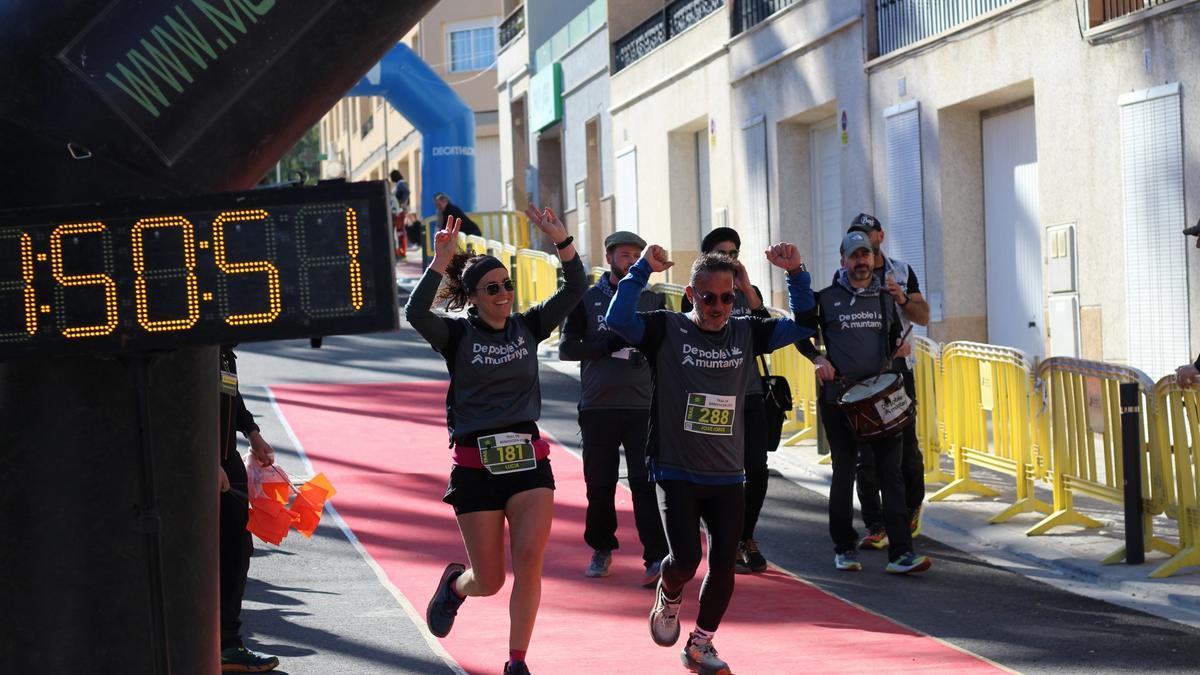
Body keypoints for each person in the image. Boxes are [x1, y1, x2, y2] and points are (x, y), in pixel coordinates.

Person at [605, 241, 816, 675]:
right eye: (708, 297)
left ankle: (700, 644)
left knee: (723, 565)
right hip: (675, 467)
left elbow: (804, 325)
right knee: (685, 559)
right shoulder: (666, 328)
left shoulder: (746, 331)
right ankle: (669, 590)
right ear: (690, 294)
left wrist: (796, 274)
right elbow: (617, 320)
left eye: (725, 298)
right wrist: (642, 269)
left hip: (726, 473)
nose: (717, 307)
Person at [405, 205, 584, 675]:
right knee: (489, 580)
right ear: (473, 295)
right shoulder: (456, 336)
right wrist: (439, 261)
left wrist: (562, 242)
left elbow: (575, 289)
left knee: (530, 562)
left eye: (508, 285)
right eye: (493, 288)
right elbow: (414, 312)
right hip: (475, 468)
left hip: (528, 464)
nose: (504, 294)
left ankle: (516, 661)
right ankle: (455, 587)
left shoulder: (530, 326)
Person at [800, 230, 932, 575]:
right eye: (854, 256)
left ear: (874, 259)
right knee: (844, 472)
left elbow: (892, 338)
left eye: (866, 256)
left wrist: (898, 348)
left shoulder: (886, 298)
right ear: (843, 261)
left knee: (893, 474)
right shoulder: (825, 298)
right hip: (839, 398)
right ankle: (844, 547)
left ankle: (901, 553)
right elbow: (801, 333)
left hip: (881, 397)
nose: (861, 262)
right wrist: (816, 358)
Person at [559, 230, 669, 587]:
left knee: (644, 482)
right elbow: (566, 348)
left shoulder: (653, 300)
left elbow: (666, 348)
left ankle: (655, 557)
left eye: (638, 256)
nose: (632, 261)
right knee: (600, 484)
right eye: (625, 255)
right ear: (609, 258)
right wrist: (606, 345)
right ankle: (602, 547)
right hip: (598, 405)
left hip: (642, 406)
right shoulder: (587, 298)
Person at [679, 227, 774, 574]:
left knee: (758, 471)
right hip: (710, 401)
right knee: (718, 475)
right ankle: (722, 538)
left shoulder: (748, 295)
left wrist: (747, 290)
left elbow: (768, 333)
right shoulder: (695, 296)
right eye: (723, 253)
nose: (731, 260)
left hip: (749, 396)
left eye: (734, 253)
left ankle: (744, 538)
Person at [841, 213, 930, 550]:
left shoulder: (902, 272)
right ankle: (876, 523)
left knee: (906, 447)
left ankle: (911, 507)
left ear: (880, 236)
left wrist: (902, 299)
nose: (862, 243)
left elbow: (922, 317)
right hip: (861, 377)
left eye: (867, 235)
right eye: (855, 237)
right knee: (866, 453)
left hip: (896, 374)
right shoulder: (844, 274)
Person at [218, 347, 280, 672]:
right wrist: (207, 459)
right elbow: (177, 407)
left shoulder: (223, 352)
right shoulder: (193, 348)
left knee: (237, 552)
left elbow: (229, 391)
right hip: (202, 464)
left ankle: (228, 644)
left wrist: (253, 433)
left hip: (228, 462)